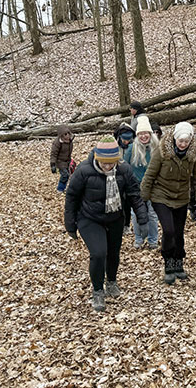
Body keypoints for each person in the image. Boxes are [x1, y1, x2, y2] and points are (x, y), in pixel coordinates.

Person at [64, 136, 149, 312]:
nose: (108, 167)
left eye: (111, 163)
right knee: (98, 253)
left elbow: (134, 194)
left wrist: (142, 219)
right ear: (97, 158)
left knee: (113, 252)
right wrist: (70, 223)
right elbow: (72, 197)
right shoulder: (83, 170)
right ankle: (97, 290)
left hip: (115, 217)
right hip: (89, 218)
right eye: (104, 163)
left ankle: (111, 281)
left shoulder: (124, 169)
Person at [140, 121, 196, 284]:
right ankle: (168, 261)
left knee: (178, 231)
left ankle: (179, 261)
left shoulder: (194, 153)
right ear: (175, 139)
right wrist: (142, 200)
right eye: (180, 141)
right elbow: (149, 175)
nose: (183, 144)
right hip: (161, 195)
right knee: (168, 230)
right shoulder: (162, 151)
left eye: (186, 141)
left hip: (182, 197)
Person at [124, 114, 160, 249]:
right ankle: (138, 239)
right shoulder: (132, 148)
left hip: (153, 187)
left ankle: (152, 240)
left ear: (150, 134)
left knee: (152, 213)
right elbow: (124, 166)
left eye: (146, 133)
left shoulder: (157, 147)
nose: (143, 136)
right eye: (140, 134)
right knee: (135, 214)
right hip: (136, 187)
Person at [115, 122, 136, 234]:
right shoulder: (115, 145)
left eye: (128, 140)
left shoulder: (134, 146)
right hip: (116, 177)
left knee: (127, 202)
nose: (126, 142)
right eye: (124, 140)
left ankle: (126, 224)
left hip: (129, 177)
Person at [50, 125, 74, 192]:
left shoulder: (70, 141)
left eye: (68, 134)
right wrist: (53, 164)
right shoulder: (57, 143)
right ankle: (60, 189)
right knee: (65, 175)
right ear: (61, 135)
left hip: (67, 161)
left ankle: (64, 187)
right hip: (60, 161)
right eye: (65, 134)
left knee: (68, 174)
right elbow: (53, 154)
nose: (67, 136)